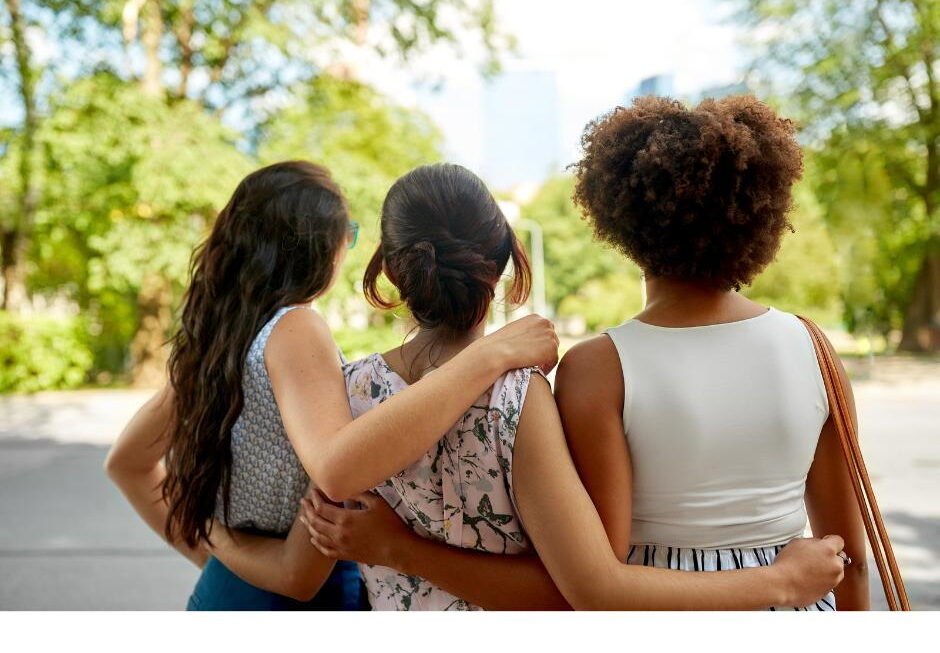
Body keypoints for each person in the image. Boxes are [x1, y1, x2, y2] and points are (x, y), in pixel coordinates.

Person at [210, 162, 848, 610]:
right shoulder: (519, 399)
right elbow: (577, 592)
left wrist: (211, 530)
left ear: (391, 270)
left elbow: (306, 563)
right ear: (506, 264)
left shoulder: (348, 397)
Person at [104, 160, 559, 610]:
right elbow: (300, 564)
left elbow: (127, 462)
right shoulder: (296, 329)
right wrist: (489, 354)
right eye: (350, 233)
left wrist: (214, 543)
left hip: (229, 591)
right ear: (324, 247)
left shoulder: (217, 342)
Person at [551, 95, 869, 610]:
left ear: (622, 221)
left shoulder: (597, 367)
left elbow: (605, 574)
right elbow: (849, 557)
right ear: (758, 215)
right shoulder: (813, 347)